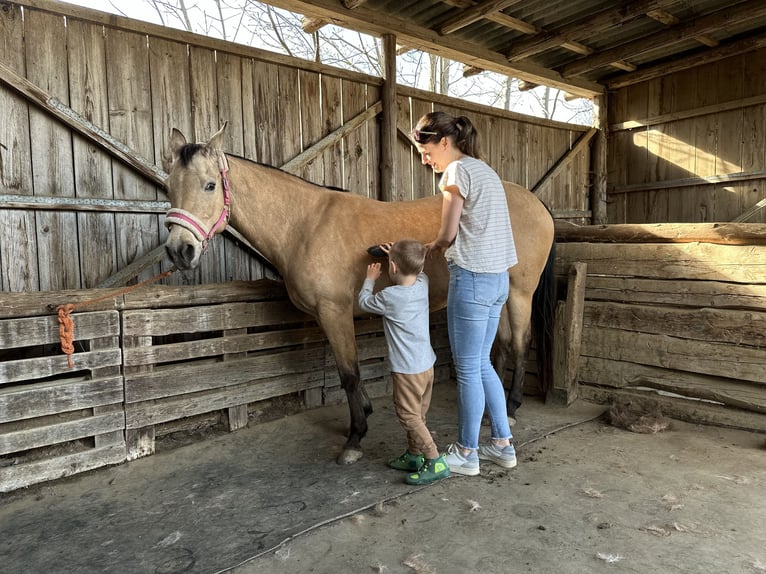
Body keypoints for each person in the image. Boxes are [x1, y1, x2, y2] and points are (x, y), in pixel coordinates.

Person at [413, 111, 518, 476]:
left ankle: (466, 451)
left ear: (444, 141)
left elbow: (448, 234)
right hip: (498, 280)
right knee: (483, 364)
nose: (425, 158)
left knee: (468, 370)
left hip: (472, 278)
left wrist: (429, 247)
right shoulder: (485, 170)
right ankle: (502, 445)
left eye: (425, 149)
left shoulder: (456, 172)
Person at [358, 239, 450, 485]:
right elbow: (418, 274)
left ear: (394, 268)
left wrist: (370, 278)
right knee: (419, 413)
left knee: (408, 416)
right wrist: (398, 256)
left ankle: (434, 459)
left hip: (407, 370)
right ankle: (414, 454)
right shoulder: (423, 284)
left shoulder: (389, 296)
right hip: (427, 365)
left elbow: (364, 302)